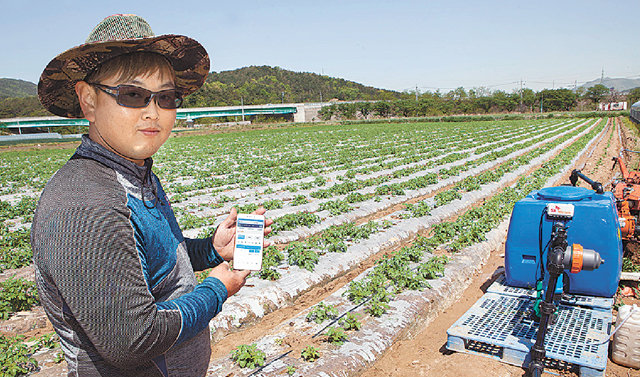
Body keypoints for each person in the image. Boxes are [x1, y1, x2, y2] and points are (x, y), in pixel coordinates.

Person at [31, 14, 271, 377]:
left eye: (166, 97)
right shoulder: (84, 205)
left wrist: (211, 249)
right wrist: (217, 289)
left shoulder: (134, 173)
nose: (153, 112)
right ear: (88, 100)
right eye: (132, 94)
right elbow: (133, 340)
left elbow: (150, 261)